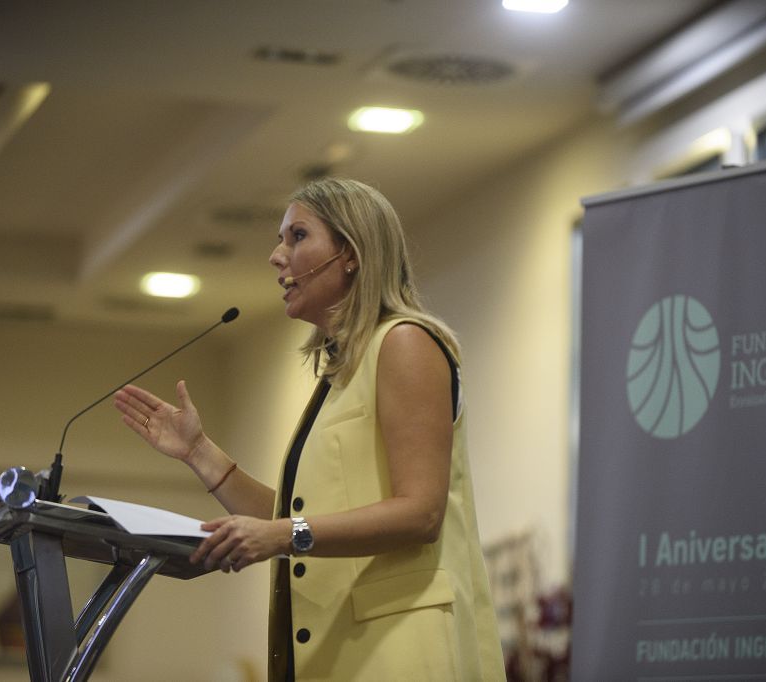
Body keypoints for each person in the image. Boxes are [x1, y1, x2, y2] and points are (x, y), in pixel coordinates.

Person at [113, 177, 505, 681]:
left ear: (352, 253)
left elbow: (421, 513)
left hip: (400, 655)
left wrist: (283, 534)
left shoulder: (406, 343)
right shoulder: (340, 374)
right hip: (336, 653)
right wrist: (198, 451)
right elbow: (291, 521)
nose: (278, 256)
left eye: (297, 236)